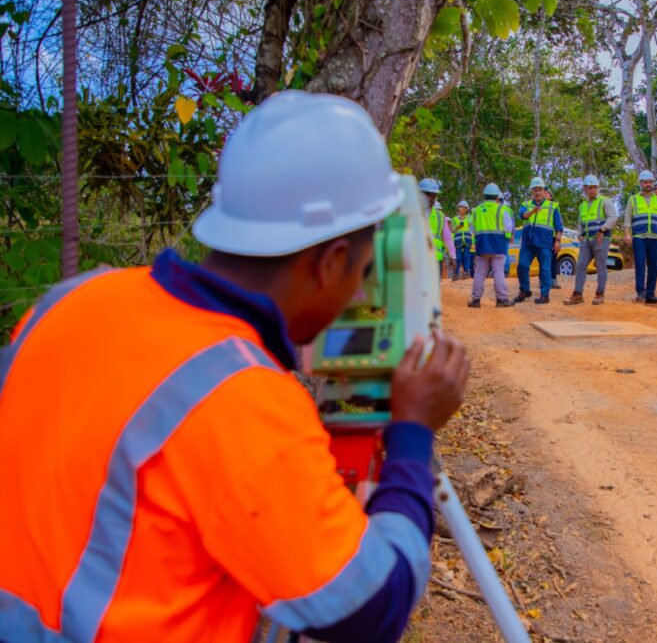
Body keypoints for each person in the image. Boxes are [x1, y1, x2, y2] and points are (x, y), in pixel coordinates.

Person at [0, 92, 470, 643]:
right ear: (332, 261)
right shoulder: (241, 397)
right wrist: (412, 434)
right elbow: (372, 608)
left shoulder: (69, 301)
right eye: (363, 271)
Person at [564, 174, 618, 306]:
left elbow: (613, 217)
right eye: (590, 187)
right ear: (585, 189)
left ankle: (600, 294)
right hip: (586, 240)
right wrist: (580, 233)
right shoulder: (583, 205)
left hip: (601, 238)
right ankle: (577, 294)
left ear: (598, 188)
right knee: (581, 265)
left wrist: (603, 229)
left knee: (601, 266)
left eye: (595, 187)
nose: (593, 190)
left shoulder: (604, 201)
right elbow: (581, 221)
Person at [624, 169, 657, 304]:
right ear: (640, 183)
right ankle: (640, 293)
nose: (648, 184)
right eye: (645, 182)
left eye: (650, 182)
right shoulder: (633, 199)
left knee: (654, 265)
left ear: (653, 183)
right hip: (639, 237)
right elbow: (627, 219)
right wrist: (627, 234)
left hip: (655, 237)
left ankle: (650, 294)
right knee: (640, 265)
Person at [514, 177, 562, 305]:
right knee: (522, 266)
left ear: (544, 191)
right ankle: (524, 290)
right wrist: (532, 212)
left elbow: (558, 226)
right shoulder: (526, 204)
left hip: (544, 242)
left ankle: (545, 295)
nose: (537, 192)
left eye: (540, 189)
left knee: (545, 269)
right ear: (532, 191)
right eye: (535, 190)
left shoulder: (553, 206)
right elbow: (522, 215)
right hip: (528, 242)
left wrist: (557, 241)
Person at [468, 183, 515, 308]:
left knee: (480, 273)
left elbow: (471, 229)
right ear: (496, 196)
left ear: (484, 195)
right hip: (498, 245)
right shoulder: (502, 209)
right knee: (498, 272)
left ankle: (476, 300)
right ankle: (501, 299)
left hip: (482, 245)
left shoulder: (476, 210)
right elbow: (508, 227)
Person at [419, 177, 456, 277]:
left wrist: (452, 255)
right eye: (428, 195)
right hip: (416, 259)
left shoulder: (440, 216)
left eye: (434, 196)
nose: (432, 199)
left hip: (435, 259)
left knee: (434, 290)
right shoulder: (411, 213)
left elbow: (447, 238)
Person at [545, 188, 563, 289]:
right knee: (543, 259)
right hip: (542, 237)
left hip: (552, 237)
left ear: (551, 197)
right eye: (544, 193)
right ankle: (543, 280)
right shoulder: (538, 206)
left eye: (547, 193)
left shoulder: (554, 207)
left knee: (553, 259)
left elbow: (559, 224)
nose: (545, 194)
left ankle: (553, 280)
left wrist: (558, 239)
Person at [451, 200, 473, 280]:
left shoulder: (469, 218)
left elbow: (471, 229)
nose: (461, 208)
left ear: (466, 209)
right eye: (460, 207)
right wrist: (458, 227)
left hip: (467, 240)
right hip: (458, 240)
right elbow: (452, 230)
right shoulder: (454, 219)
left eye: (463, 207)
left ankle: (466, 272)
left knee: (466, 256)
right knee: (459, 257)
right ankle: (456, 273)